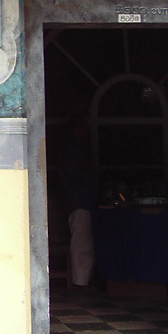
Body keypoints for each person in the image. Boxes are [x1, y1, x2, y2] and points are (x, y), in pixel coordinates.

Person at [59, 119, 99, 287]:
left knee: (83, 241)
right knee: (81, 243)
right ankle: (80, 281)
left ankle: (83, 278)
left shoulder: (77, 149)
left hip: (81, 200)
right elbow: (75, 176)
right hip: (79, 201)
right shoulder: (74, 151)